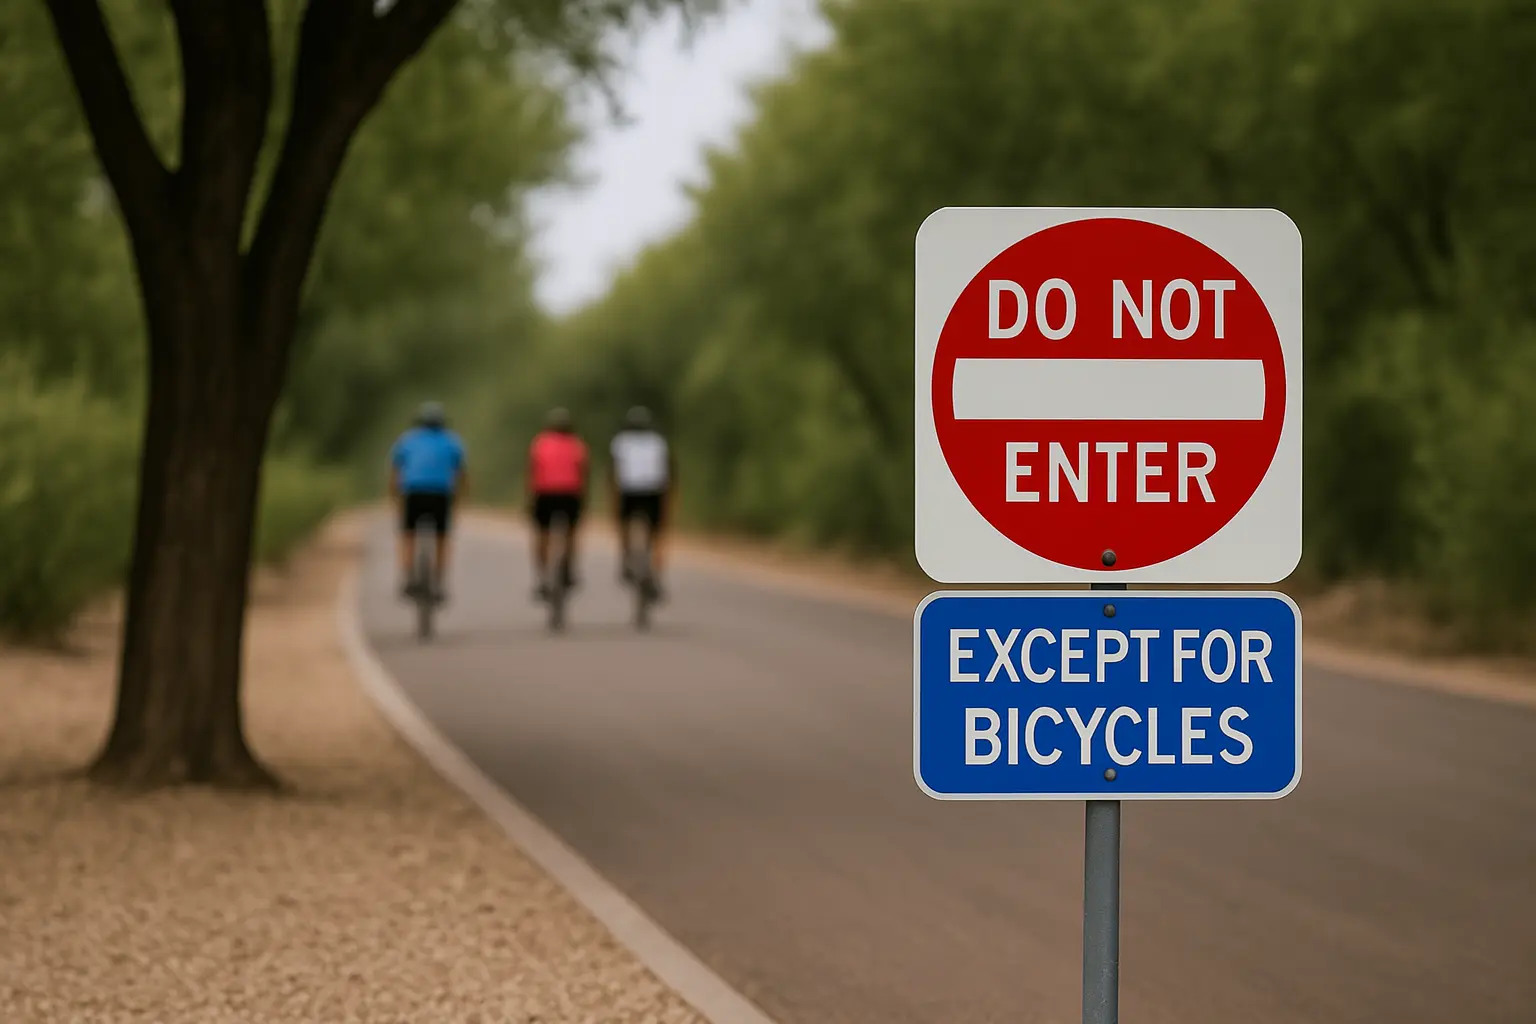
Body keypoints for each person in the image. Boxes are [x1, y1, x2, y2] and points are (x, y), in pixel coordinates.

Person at [389, 400, 467, 601]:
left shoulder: (407, 440)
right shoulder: (452, 441)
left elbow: (395, 473)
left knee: (408, 536)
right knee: (442, 538)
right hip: (441, 494)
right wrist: (460, 500)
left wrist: (395, 498)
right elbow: (461, 474)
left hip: (413, 493)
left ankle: (408, 579)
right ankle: (438, 582)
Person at [609, 405, 675, 598]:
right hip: (654, 491)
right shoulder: (658, 442)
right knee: (658, 536)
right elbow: (668, 475)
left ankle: (626, 560)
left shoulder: (620, 442)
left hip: (628, 491)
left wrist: (613, 500)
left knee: (623, 525)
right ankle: (656, 575)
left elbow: (613, 473)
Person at [527, 406, 589, 597]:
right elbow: (583, 472)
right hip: (570, 494)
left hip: (544, 493)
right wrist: (584, 499)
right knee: (571, 532)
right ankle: (568, 569)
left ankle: (543, 576)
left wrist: (529, 499)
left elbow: (532, 472)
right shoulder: (578, 445)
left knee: (541, 535)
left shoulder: (539, 443)